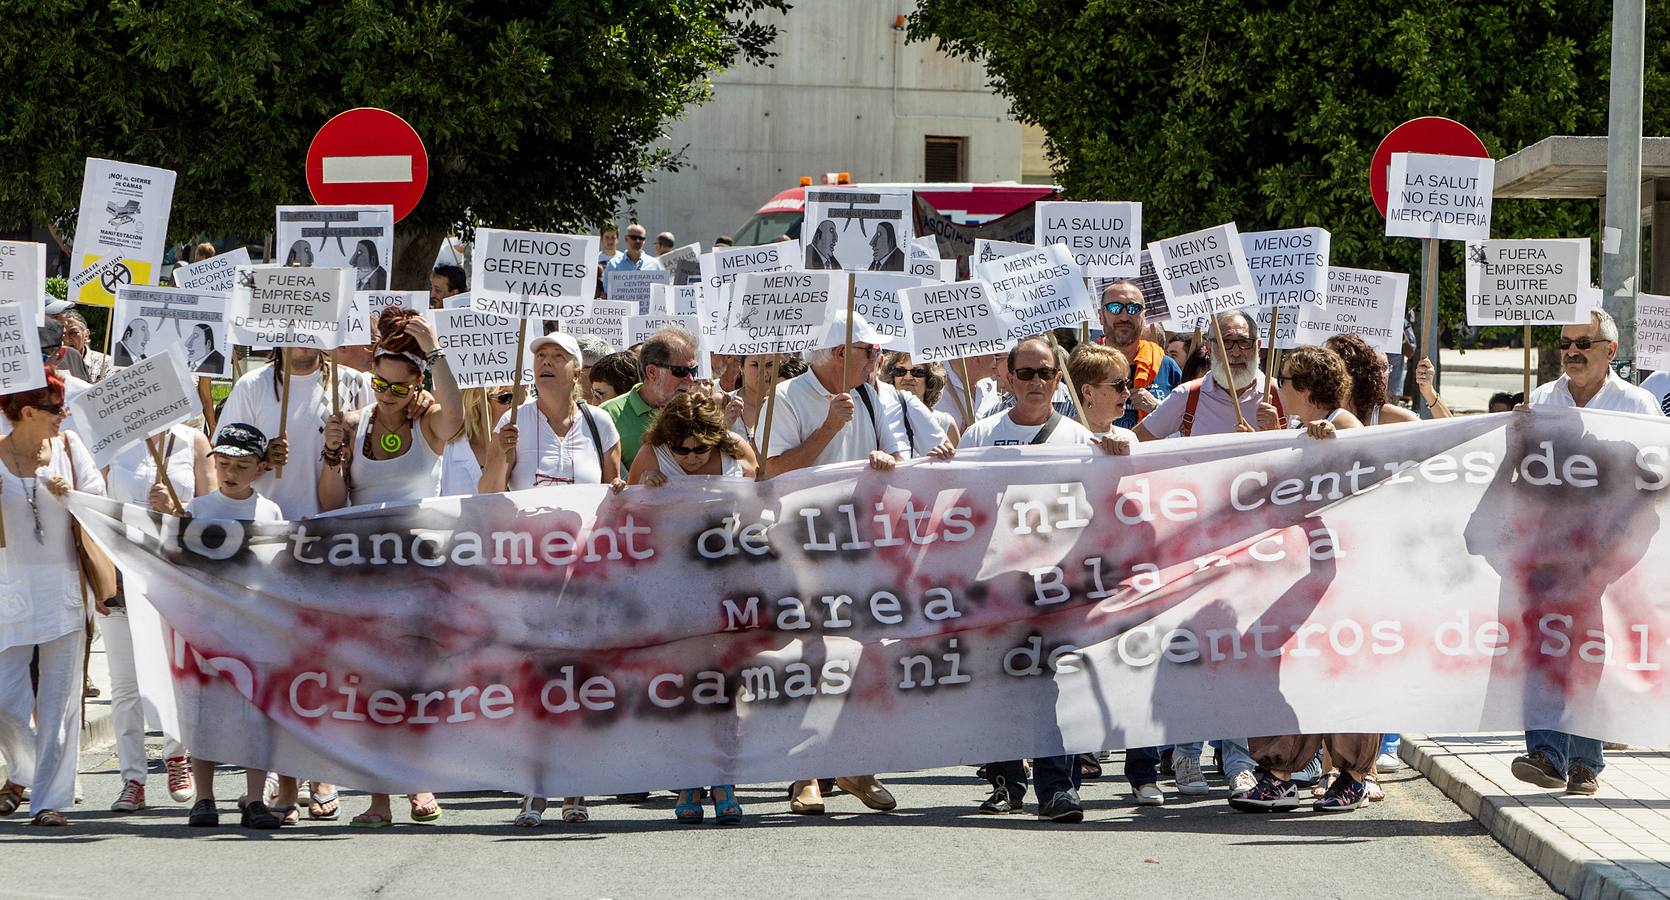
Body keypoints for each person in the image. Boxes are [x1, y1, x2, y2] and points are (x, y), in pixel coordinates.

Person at [926, 336, 1130, 822]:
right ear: (1008, 378)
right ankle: (1006, 781)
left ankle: (1058, 789)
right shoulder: (978, 436)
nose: (1036, 382)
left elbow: (1109, 505)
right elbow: (957, 508)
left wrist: (1121, 462)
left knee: (1049, 685)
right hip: (994, 582)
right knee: (998, 682)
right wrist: (936, 470)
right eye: (1026, 373)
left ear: (1059, 380)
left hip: (1056, 584)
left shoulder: (1082, 440)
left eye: (1046, 373)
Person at [765, 311, 920, 814]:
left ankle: (855, 764)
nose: (880, 360)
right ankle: (804, 775)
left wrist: (888, 463)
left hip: (862, 546)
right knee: (809, 657)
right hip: (801, 550)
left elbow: (897, 457)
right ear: (839, 354)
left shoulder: (876, 396)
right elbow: (770, 470)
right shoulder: (787, 398)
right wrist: (830, 427)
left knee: (864, 657)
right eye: (871, 352)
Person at [316, 308, 461, 826]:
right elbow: (332, 503)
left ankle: (420, 782)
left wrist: (436, 348)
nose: (387, 394)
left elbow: (458, 416)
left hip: (420, 568)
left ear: (417, 383)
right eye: (379, 383)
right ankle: (378, 799)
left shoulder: (430, 421)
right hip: (365, 568)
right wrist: (332, 452)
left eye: (398, 387)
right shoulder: (352, 424)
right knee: (373, 681)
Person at [1506, 309, 1656, 797]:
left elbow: (1659, 476)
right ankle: (1547, 753)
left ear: (1610, 351)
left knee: (1591, 651)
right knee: (1549, 646)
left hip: (1614, 551)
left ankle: (1585, 759)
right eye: (1566, 342)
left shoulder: (1636, 404)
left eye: (1583, 343)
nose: (1571, 352)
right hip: (1552, 549)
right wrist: (1517, 435)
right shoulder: (1542, 402)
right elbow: (1521, 471)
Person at [479, 331, 620, 824]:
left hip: (582, 575)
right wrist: (500, 453)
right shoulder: (512, 421)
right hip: (528, 577)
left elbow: (613, 495)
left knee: (577, 680)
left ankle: (574, 789)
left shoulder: (599, 424)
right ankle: (533, 789)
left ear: (577, 371)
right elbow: (489, 496)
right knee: (536, 683)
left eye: (558, 357)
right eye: (540, 356)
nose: (547, 363)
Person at [1232, 345, 1378, 813]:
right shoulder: (1298, 429)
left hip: (1340, 575)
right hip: (1303, 572)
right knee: (1289, 667)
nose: (1279, 386)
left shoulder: (1345, 423)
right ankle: (1279, 771)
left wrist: (1328, 439)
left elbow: (1357, 465)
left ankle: (1352, 774)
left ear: (1309, 389)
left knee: (1341, 670)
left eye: (1288, 378)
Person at [618, 391, 755, 825]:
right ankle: (687, 780)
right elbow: (628, 516)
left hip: (726, 584)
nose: (691, 457)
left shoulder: (738, 450)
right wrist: (641, 488)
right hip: (672, 588)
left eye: (700, 448)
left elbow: (764, 501)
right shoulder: (652, 453)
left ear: (717, 438)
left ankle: (724, 780)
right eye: (681, 448)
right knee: (683, 686)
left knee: (725, 687)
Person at [0, 366, 105, 826]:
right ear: (26, 412)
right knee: (4, 698)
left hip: (64, 586)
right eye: (55, 409)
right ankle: (23, 769)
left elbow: (100, 509)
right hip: (8, 591)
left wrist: (73, 496)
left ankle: (49, 800)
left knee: (61, 700)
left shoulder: (69, 447)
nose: (64, 415)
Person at [177, 423, 288, 829]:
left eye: (242, 465)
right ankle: (204, 797)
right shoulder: (199, 509)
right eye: (223, 463)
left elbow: (277, 570)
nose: (230, 472)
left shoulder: (269, 513)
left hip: (254, 628)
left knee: (255, 713)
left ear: (259, 468)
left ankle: (255, 797)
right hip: (208, 626)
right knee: (205, 711)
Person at [101, 418, 213, 814]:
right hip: (121, 573)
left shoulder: (193, 442)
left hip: (174, 577)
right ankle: (132, 778)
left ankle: (176, 754)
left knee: (174, 676)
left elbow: (212, 516)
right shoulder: (111, 441)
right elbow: (94, 508)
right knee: (125, 685)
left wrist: (175, 510)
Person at [1135, 311, 1279, 441]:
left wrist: (1277, 435)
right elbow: (1135, 442)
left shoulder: (1281, 394)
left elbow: (1300, 459)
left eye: (1244, 342)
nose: (1235, 352)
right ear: (1208, 348)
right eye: (1225, 343)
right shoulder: (1188, 395)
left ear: (1258, 346)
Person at [600, 327, 700, 469]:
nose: (690, 379)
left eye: (693, 370)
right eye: (681, 371)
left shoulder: (699, 411)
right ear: (652, 372)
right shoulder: (608, 415)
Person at [1096, 280, 1182, 431]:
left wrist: (1157, 408)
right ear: (1101, 315)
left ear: (1144, 316)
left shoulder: (1166, 366)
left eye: (1133, 308)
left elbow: (1187, 423)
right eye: (1114, 308)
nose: (1124, 317)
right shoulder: (1085, 367)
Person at [1324, 334, 1417, 426]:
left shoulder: (1393, 417)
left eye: (1333, 366)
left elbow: (1426, 434)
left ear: (1352, 373)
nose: (1325, 372)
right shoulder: (1319, 412)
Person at [441, 387, 513, 497]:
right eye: (506, 397)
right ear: (477, 402)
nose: (514, 405)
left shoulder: (523, 444)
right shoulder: (446, 444)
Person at [1066, 343, 1140, 445]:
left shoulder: (1129, 439)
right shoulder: (1062, 440)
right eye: (1119, 385)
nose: (1127, 393)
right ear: (1088, 392)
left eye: (1128, 383)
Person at [881, 352, 960, 445]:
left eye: (917, 372)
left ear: (930, 379)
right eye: (900, 371)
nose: (908, 377)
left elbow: (958, 459)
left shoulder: (945, 424)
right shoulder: (881, 419)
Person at [60, 311, 111, 380]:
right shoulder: (52, 364)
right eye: (61, 334)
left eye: (73, 333)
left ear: (86, 335)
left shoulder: (105, 363)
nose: (66, 340)